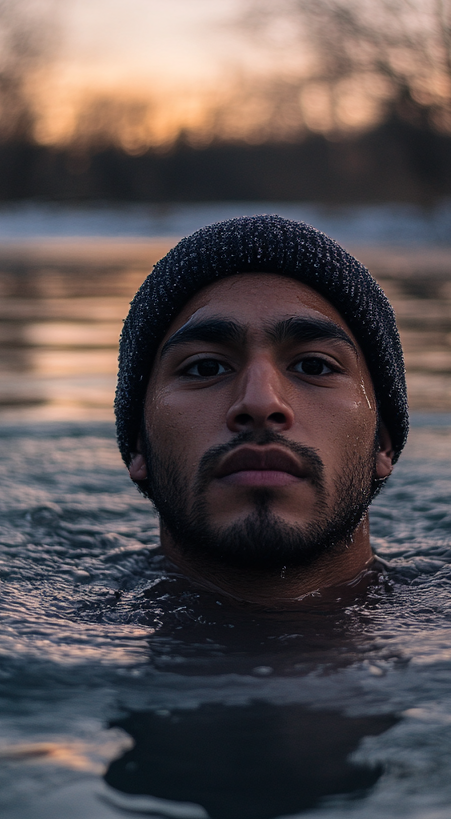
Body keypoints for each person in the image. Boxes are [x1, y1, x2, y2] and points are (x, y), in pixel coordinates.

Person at [114, 214, 408, 604]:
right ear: (138, 443)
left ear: (383, 443)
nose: (260, 402)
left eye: (314, 366)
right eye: (206, 367)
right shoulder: (27, 622)